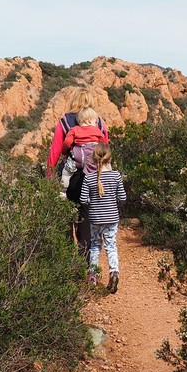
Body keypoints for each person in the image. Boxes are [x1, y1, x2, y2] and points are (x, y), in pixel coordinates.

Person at [46, 89, 110, 259]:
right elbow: (106, 150)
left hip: (71, 176)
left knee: (65, 216)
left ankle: (66, 261)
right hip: (92, 177)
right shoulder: (99, 123)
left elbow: (55, 151)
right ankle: (86, 267)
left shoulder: (65, 121)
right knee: (87, 220)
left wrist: (50, 175)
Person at [81, 143, 127, 293]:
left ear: (94, 160)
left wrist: (92, 204)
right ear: (110, 159)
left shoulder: (88, 178)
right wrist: (114, 203)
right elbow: (122, 197)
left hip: (94, 218)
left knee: (95, 246)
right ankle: (114, 271)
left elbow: (83, 199)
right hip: (112, 217)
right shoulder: (116, 176)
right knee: (111, 246)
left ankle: (93, 276)